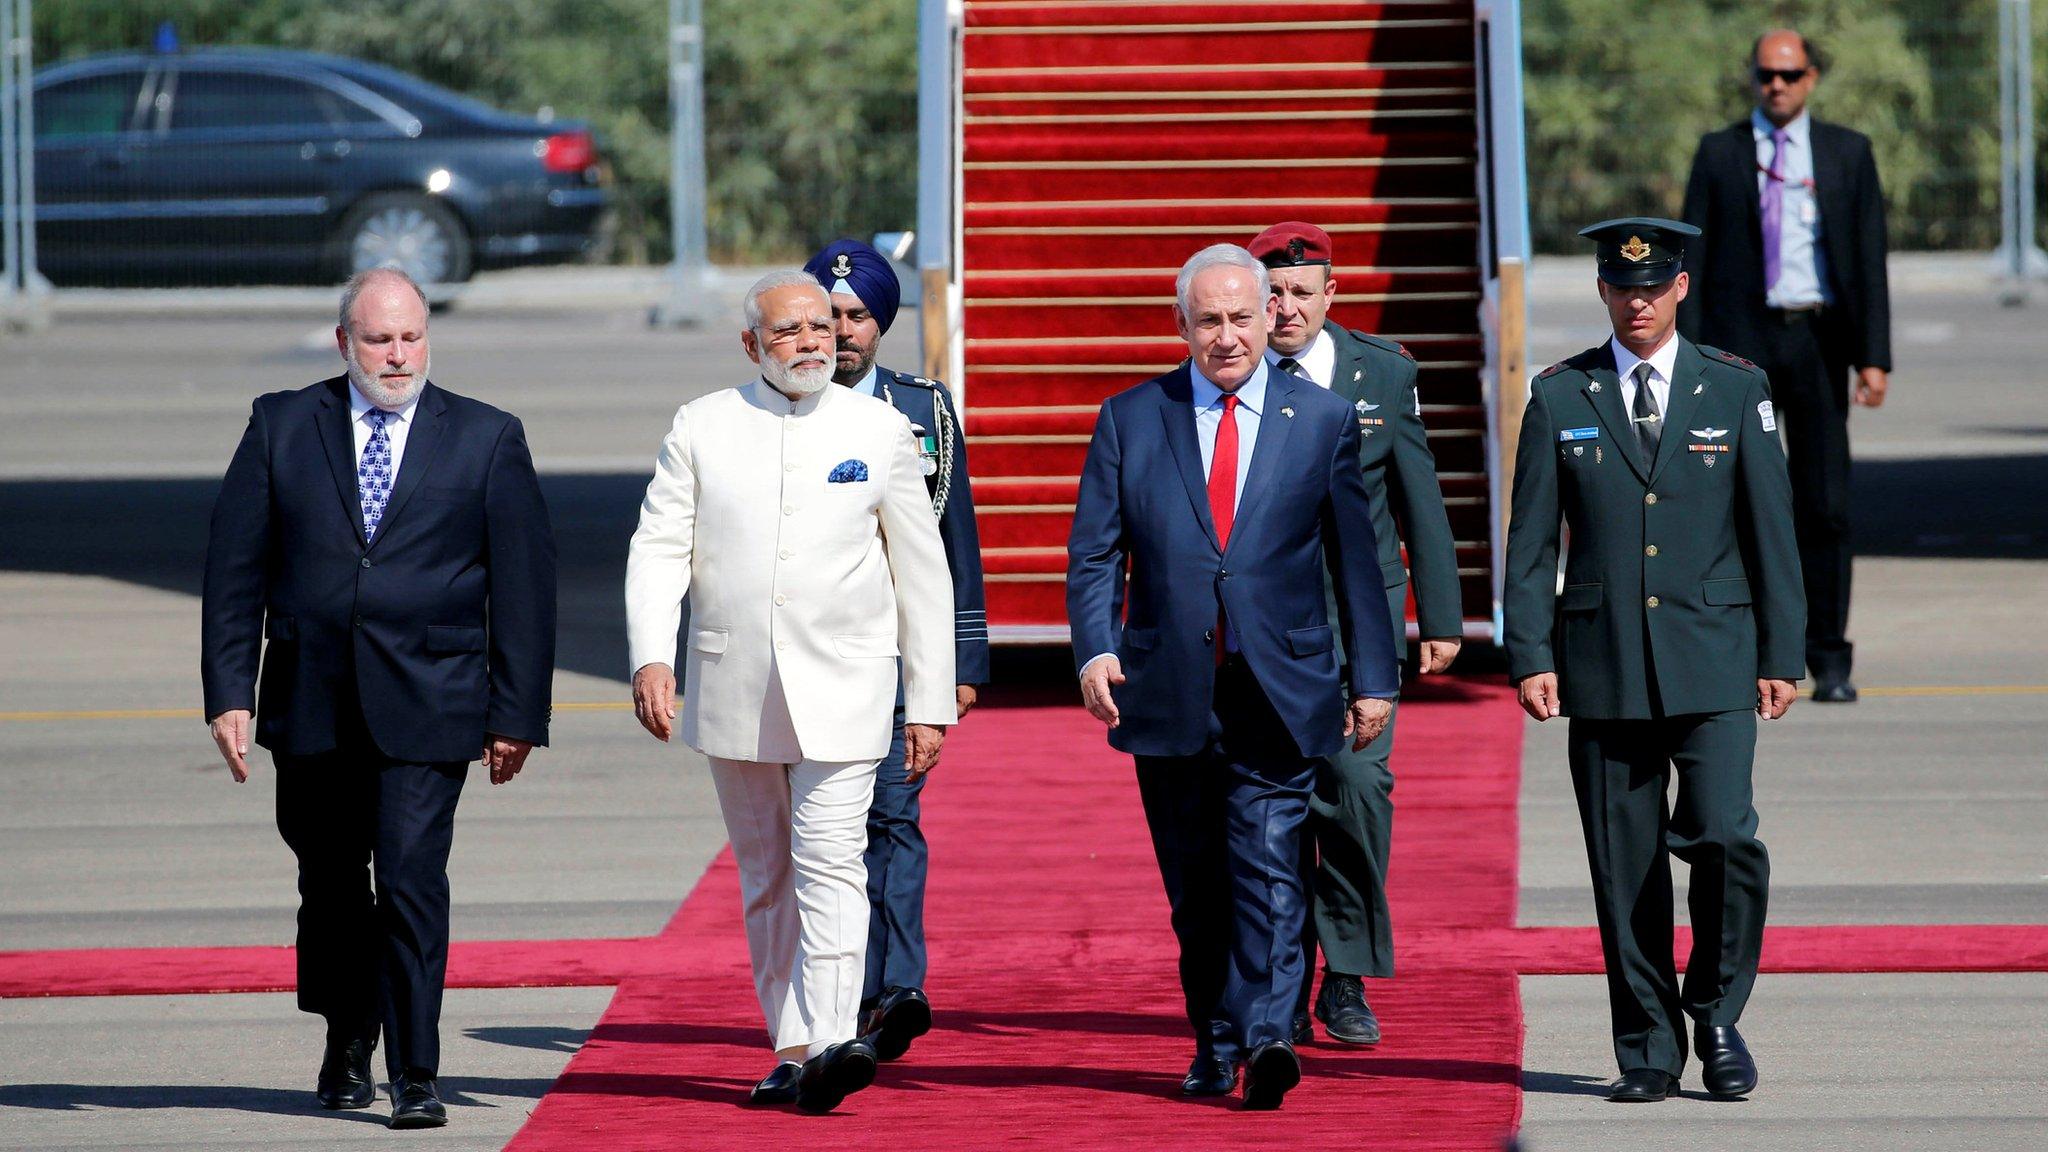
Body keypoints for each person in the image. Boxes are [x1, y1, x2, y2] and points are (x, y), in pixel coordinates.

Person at [200, 267, 558, 1130]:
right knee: (329, 882)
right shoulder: (284, 425)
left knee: (407, 879)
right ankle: (345, 1029)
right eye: (378, 340)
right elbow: (234, 569)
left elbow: (523, 588)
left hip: (431, 700)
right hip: (311, 697)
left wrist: (516, 714)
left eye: (411, 337)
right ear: (343, 343)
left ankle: (417, 1068)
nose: (398, 356)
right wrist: (228, 690)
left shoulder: (486, 437)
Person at [1066, 244, 1400, 1110]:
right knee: (1197, 890)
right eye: (1208, 320)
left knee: (1271, 868)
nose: (1226, 336)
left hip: (1280, 687)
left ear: (1269, 320)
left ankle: (1266, 1034)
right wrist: (1096, 647)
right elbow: (1096, 553)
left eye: (1240, 317)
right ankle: (1215, 1043)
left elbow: (1355, 565)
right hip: (1168, 688)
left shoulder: (1322, 419)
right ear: (1182, 325)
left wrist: (1374, 679)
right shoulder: (1131, 417)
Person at [624, 270, 955, 1113]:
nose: (812, 341)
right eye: (788, 332)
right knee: (767, 875)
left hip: (847, 687)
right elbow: (660, 546)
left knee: (832, 864)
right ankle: (792, 1043)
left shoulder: (879, 428)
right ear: (750, 345)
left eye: (821, 328)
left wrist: (930, 700)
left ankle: (838, 1037)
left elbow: (923, 575)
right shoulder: (702, 426)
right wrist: (650, 658)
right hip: (734, 686)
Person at [1505, 218, 1804, 1103]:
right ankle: (1645, 1048)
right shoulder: (1563, 395)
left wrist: (1782, 651)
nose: (1637, 301)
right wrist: (1530, 654)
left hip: (1714, 655)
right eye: (1621, 287)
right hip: (1600, 663)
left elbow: (1770, 530)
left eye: (1653, 286)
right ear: (1602, 290)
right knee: (1622, 865)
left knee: (1722, 837)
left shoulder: (1733, 387)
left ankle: (1715, 1012)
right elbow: (1529, 545)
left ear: (1679, 288)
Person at [1248, 221, 1463, 1048]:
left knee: (1357, 793)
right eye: (1274, 292)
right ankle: (1278, 977)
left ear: (1332, 295)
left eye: (1304, 291)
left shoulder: (1383, 370)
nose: (1288, 306)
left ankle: (1346, 975)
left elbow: (1419, 497)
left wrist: (1439, 616)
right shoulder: (1231, 372)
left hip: (1359, 626)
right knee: (1272, 805)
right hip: (1266, 628)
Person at [801, 238, 989, 1063]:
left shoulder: (923, 411)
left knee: (894, 815)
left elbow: (957, 545)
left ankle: (898, 987)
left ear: (882, 323)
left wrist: (959, 667)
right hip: (811, 656)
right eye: (828, 315)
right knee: (828, 834)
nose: (841, 332)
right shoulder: (779, 408)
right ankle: (849, 993)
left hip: (900, 657)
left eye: (856, 316)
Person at [1679, 28, 1890, 702]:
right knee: (1733, 500)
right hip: (1741, 345)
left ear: (1812, 79)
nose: (1777, 85)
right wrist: (1688, 358)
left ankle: (1829, 655)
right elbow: (1695, 263)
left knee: (1823, 503)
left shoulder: (1846, 153)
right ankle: (1746, 648)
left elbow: (1868, 258)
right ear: (1752, 78)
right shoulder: (1719, 154)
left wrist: (1873, 358)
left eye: (1790, 75)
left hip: (1818, 340)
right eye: (1767, 74)